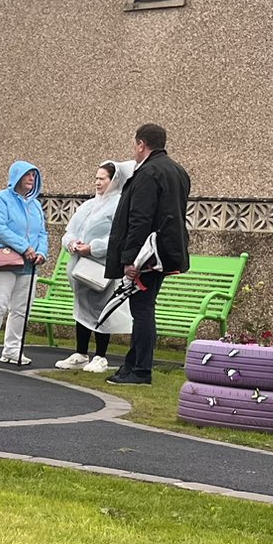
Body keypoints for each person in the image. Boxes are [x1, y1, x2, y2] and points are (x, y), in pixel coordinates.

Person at [104, 122, 192, 385]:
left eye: (135, 145)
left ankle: (141, 369)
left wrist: (129, 259)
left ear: (142, 144)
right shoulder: (178, 172)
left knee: (142, 310)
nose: (134, 150)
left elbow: (139, 218)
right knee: (144, 307)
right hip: (165, 252)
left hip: (147, 256)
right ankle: (132, 364)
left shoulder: (147, 173)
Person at [53, 160, 133, 371]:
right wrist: (72, 243)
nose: (98, 183)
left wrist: (93, 248)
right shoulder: (89, 205)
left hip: (102, 268)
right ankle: (81, 352)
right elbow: (70, 231)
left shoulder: (119, 205)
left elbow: (117, 238)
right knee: (82, 307)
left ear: (113, 180)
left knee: (102, 309)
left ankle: (100, 355)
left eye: (102, 178)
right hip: (81, 267)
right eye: (96, 178)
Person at [0, 161, 49, 365]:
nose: (31, 179)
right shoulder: (1, 199)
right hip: (3, 261)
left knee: (21, 309)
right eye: (27, 175)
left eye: (34, 176)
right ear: (16, 176)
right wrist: (24, 247)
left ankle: (12, 350)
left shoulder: (35, 204)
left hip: (29, 265)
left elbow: (42, 232)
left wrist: (42, 252)